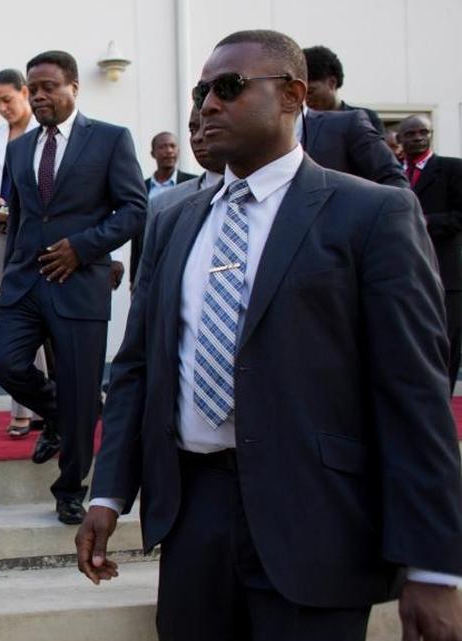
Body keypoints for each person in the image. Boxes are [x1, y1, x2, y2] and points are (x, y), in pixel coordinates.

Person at [78, 30, 462, 641]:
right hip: (194, 515)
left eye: (229, 87)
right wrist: (108, 494)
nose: (208, 104)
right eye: (202, 92)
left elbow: (413, 393)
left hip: (319, 521)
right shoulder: (173, 221)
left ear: (292, 95)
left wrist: (434, 566)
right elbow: (137, 369)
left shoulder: (371, 215)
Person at [0, 50, 147, 525]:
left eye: (48, 87)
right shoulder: (19, 149)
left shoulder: (111, 139)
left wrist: (83, 247)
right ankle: (61, 414)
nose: (38, 96)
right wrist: (6, 268)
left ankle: (70, 488)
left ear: (74, 87)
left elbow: (134, 210)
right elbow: (19, 215)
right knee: (4, 361)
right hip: (26, 283)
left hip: (79, 284)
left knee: (80, 387)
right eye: (32, 89)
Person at [0, 68, 45, 439]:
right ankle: (25, 407)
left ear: (24, 92)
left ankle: (43, 403)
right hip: (3, 234)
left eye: (7, 100)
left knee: (42, 317)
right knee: (16, 316)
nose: (2, 108)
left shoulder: (45, 132)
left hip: (37, 235)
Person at [399, 114, 462, 387]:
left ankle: (442, 399)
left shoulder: (452, 169)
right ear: (400, 139)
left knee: (446, 342)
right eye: (410, 134)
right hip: (403, 272)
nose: (417, 138)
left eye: (422, 132)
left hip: (445, 273)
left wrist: (426, 222)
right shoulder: (391, 172)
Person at [134, 104, 227, 288]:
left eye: (208, 127)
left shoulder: (269, 197)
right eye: (193, 129)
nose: (198, 137)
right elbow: (145, 278)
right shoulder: (161, 203)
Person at [131, 132, 196, 281]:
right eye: (163, 147)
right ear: (153, 153)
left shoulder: (194, 184)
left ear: (178, 151)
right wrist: (134, 277)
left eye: (173, 146)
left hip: (184, 259)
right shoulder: (141, 188)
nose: (169, 151)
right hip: (151, 261)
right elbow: (137, 235)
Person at [302, 45, 385, 134]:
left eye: (310, 92)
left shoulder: (366, 119)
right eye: (301, 94)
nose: (305, 99)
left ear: (332, 83)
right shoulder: (301, 124)